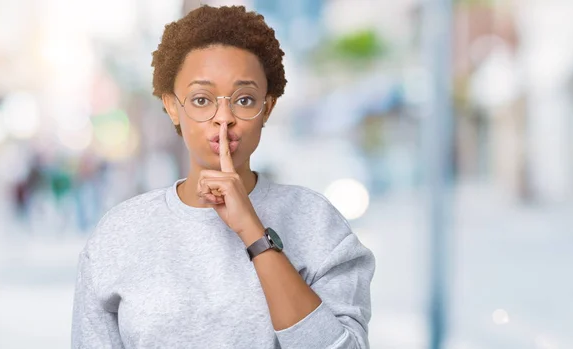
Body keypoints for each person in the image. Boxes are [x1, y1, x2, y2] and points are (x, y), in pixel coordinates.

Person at [71, 5, 375, 349]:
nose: (223, 117)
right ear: (172, 105)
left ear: (268, 107)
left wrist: (254, 233)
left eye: (244, 99)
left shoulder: (318, 224)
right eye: (201, 99)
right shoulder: (119, 235)